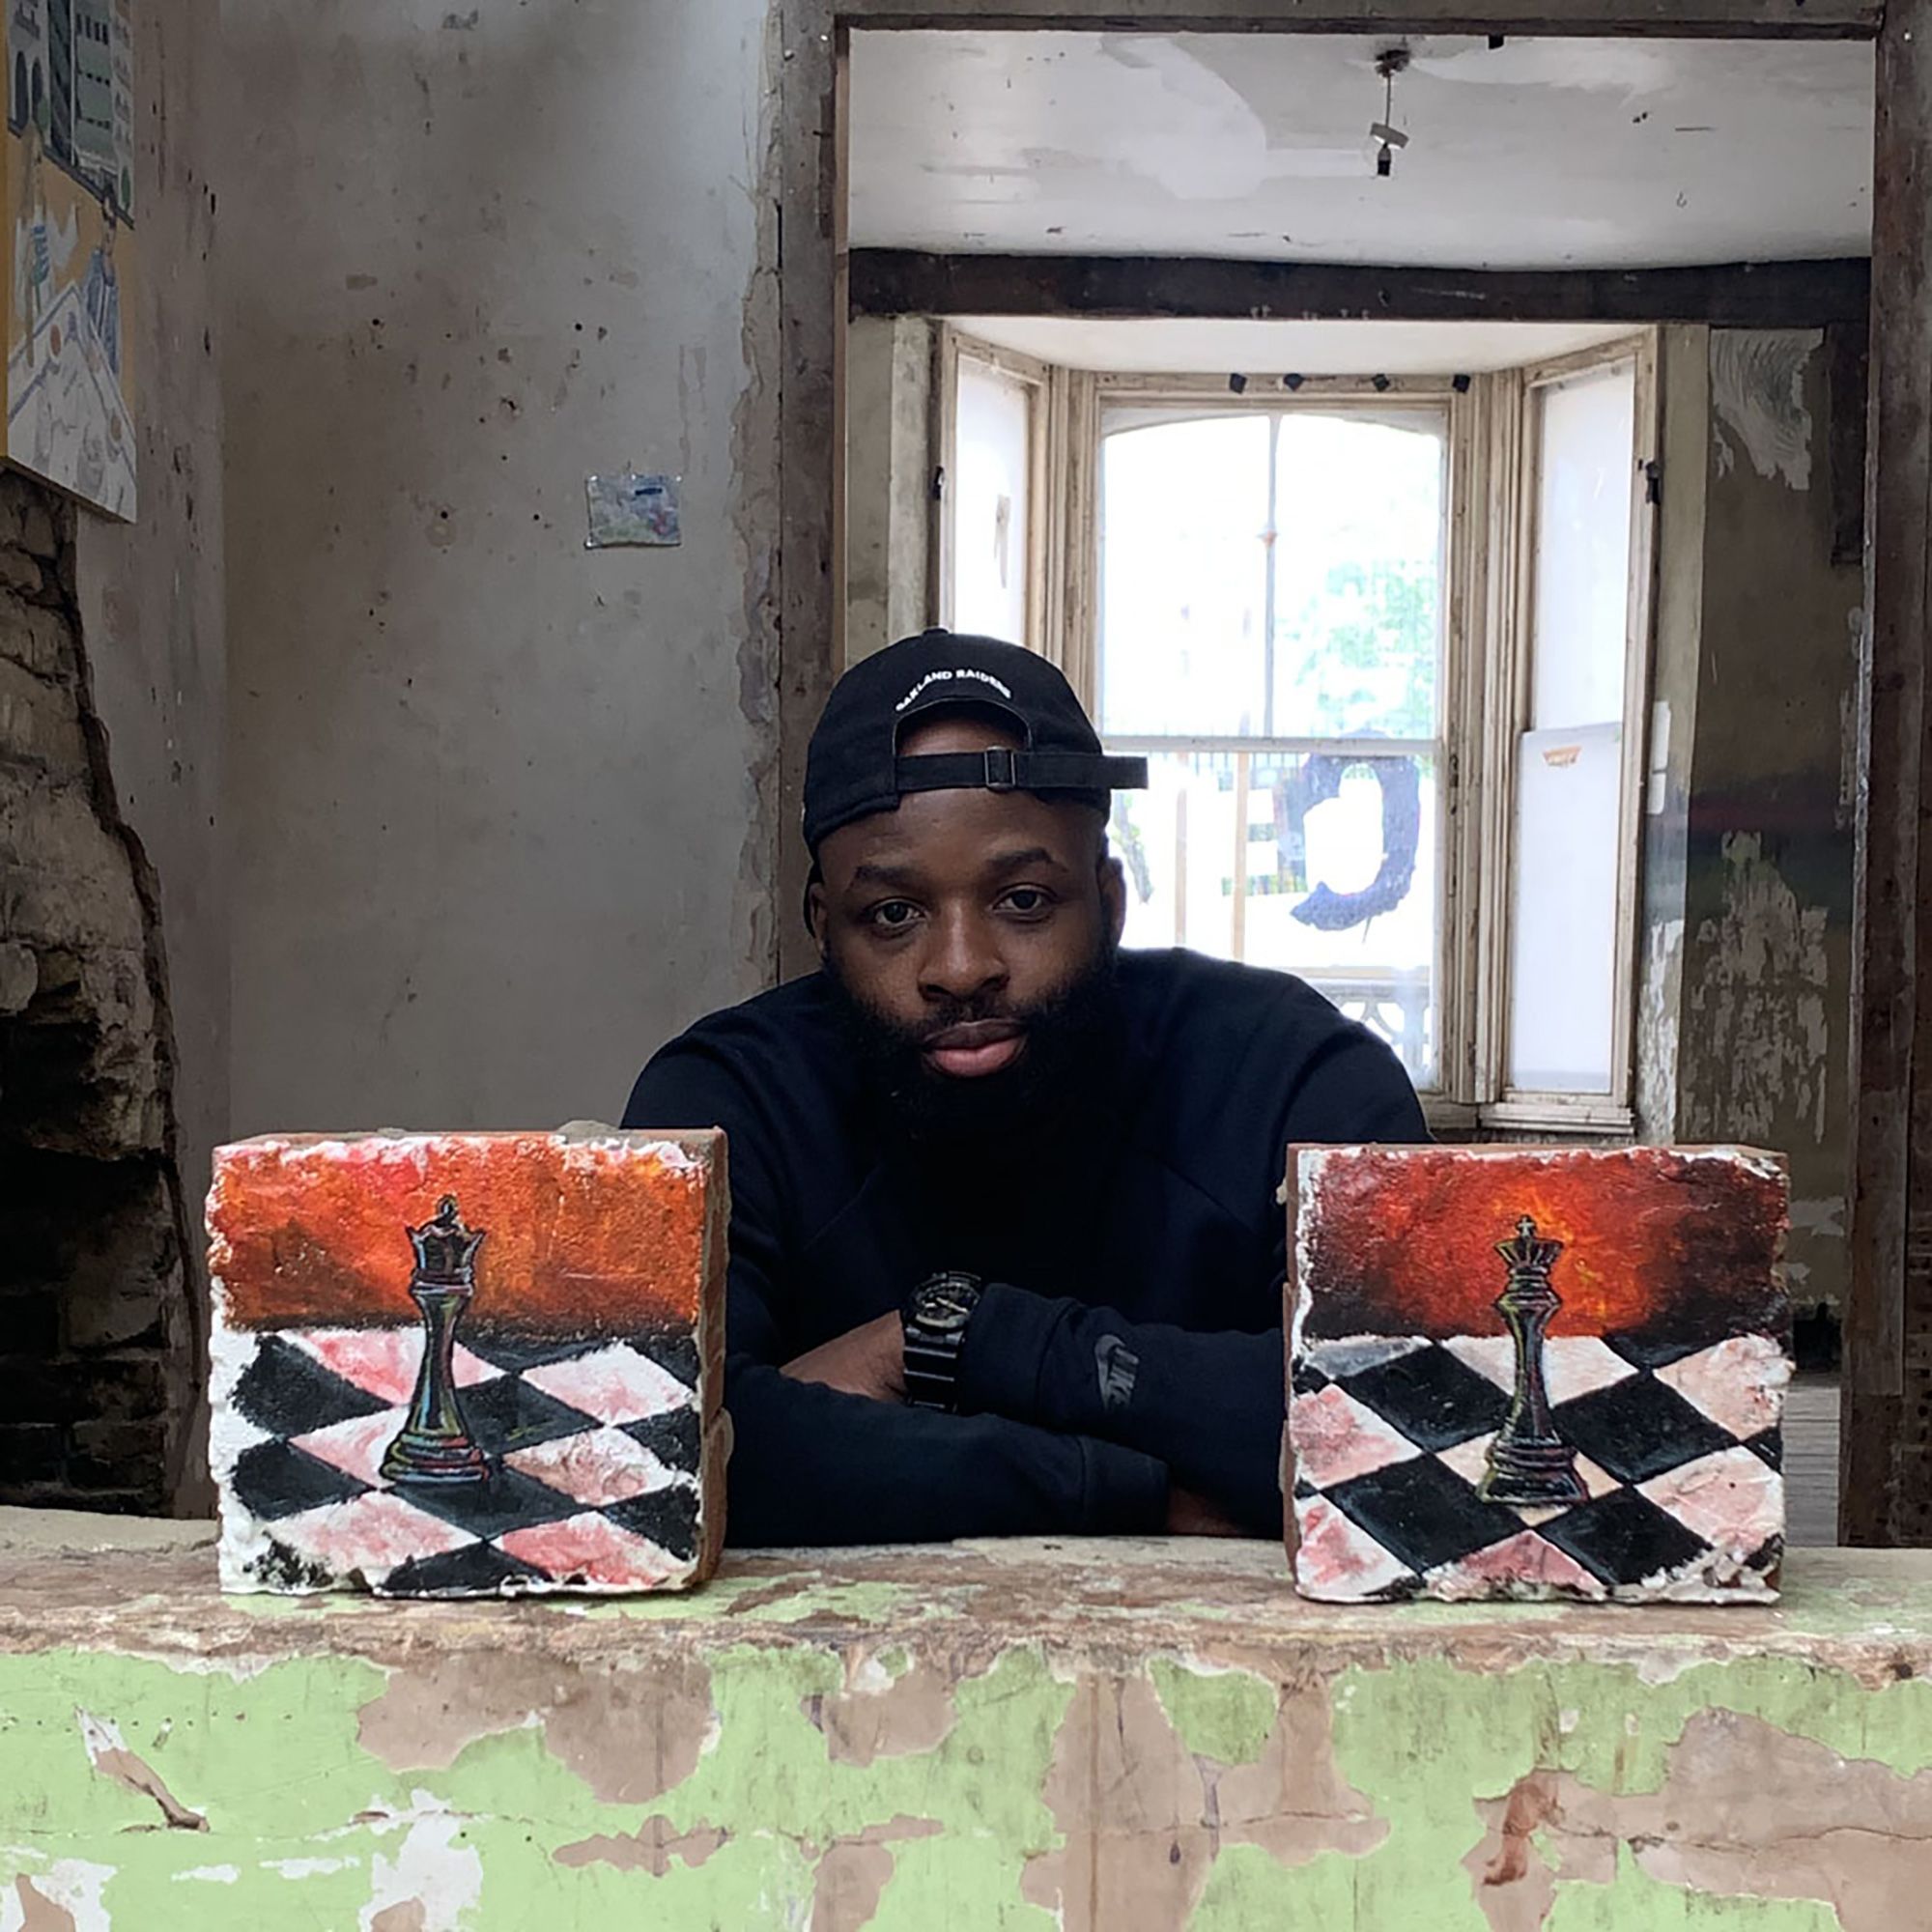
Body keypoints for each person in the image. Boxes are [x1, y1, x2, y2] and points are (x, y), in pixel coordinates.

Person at [623, 630, 1429, 1545]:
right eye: (893, 914)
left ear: (1108, 902)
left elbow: (1421, 1418)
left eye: (1024, 901)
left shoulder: (1288, 1073)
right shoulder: (727, 1101)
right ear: (824, 926)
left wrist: (965, 1342)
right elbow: (656, 1450)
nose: (961, 967)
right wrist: (1124, 1493)